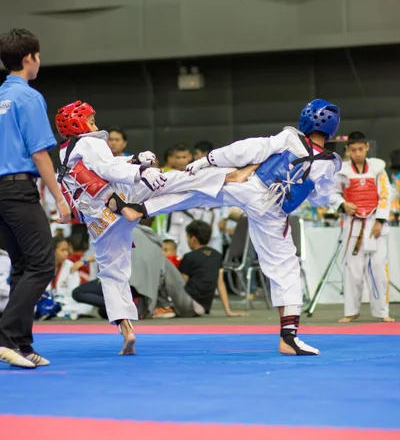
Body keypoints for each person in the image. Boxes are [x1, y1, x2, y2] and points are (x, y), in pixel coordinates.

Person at [141, 99, 342, 355]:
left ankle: (140, 204)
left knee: (201, 185)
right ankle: (288, 337)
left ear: (306, 119)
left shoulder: (290, 138)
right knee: (286, 269)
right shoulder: (328, 163)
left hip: (251, 188)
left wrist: (209, 159)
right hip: (275, 213)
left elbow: (250, 148)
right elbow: (322, 197)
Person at [55, 100, 230, 354]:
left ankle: (126, 329)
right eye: (91, 121)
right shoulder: (89, 142)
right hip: (121, 193)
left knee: (112, 274)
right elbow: (107, 167)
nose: (95, 124)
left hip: (97, 218)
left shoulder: (64, 153)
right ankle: (227, 177)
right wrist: (140, 171)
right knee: (174, 180)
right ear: (77, 124)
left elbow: (103, 166)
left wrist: (134, 159)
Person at [0, 28, 70, 369]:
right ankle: (5, 334)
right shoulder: (28, 97)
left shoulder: (0, 96)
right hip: (17, 188)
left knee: (24, 266)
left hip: (1, 191)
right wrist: (59, 197)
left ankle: (21, 344)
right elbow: (40, 153)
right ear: (29, 58)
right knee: (43, 264)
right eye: (38, 56)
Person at [330, 131, 394, 323]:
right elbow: (331, 193)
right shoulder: (342, 171)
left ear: (367, 147)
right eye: (353, 150)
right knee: (353, 271)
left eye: (360, 149)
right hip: (353, 225)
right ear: (347, 150)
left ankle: (382, 312)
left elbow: (385, 194)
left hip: (374, 224)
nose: (357, 153)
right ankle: (351, 311)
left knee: (378, 269)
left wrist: (380, 221)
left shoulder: (378, 169)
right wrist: (342, 204)